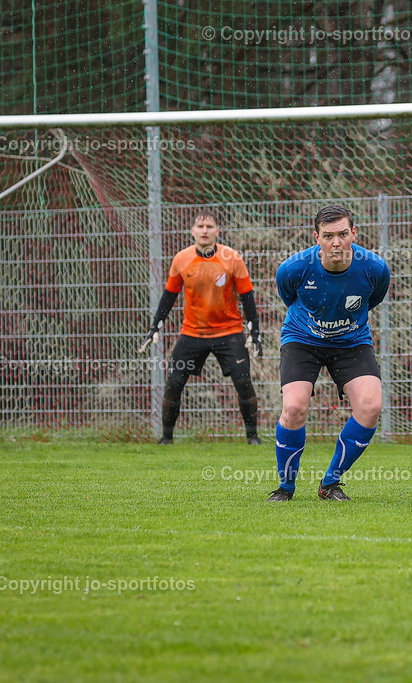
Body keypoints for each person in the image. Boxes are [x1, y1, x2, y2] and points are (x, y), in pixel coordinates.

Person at [265, 204, 390, 502]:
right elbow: (288, 296)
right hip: (302, 340)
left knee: (371, 406)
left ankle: (330, 483)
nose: (336, 243)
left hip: (351, 342)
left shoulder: (374, 268)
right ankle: (286, 487)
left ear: (354, 234)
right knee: (294, 409)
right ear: (316, 238)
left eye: (343, 234)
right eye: (328, 236)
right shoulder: (294, 268)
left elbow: (375, 298)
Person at [141, 209, 263, 445]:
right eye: (200, 226)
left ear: (218, 231)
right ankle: (166, 439)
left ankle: (253, 437)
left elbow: (247, 297)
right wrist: (155, 325)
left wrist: (254, 331)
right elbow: (169, 296)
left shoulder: (232, 258)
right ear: (192, 231)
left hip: (229, 332)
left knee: (243, 381)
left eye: (209, 227)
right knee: (174, 381)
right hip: (192, 333)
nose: (204, 231)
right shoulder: (181, 259)